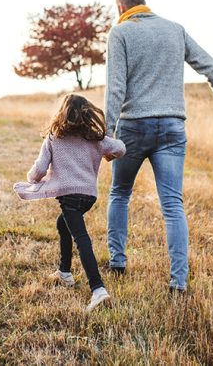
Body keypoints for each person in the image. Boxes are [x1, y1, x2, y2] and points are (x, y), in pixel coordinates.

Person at [104, 0, 213, 293]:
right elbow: (212, 67)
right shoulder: (175, 30)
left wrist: (107, 133)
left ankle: (117, 262)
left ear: (121, 7)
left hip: (133, 127)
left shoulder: (120, 33)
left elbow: (115, 88)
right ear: (144, 2)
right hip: (171, 128)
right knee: (172, 205)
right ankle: (178, 281)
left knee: (120, 193)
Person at [14, 94, 126, 312]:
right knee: (62, 224)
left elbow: (39, 169)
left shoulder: (54, 137)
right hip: (88, 196)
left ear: (62, 114)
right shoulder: (94, 138)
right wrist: (107, 152)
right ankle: (64, 272)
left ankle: (98, 289)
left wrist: (31, 178)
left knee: (81, 238)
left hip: (69, 196)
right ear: (87, 114)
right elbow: (120, 148)